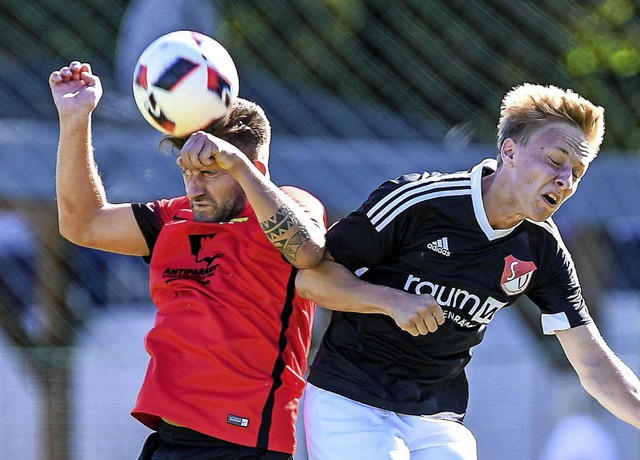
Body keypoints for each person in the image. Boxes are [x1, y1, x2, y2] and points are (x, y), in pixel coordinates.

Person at [295, 83, 640, 459]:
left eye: (578, 171)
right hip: (351, 400)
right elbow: (313, 278)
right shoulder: (419, 201)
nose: (566, 180)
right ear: (510, 151)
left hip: (437, 417)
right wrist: (390, 300)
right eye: (556, 160)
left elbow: (591, 360)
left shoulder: (544, 249)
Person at [49, 61, 326, 460]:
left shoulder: (293, 206)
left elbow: (308, 251)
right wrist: (76, 119)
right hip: (168, 438)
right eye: (187, 173)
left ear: (253, 168)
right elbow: (83, 224)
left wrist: (238, 165)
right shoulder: (173, 217)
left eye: (211, 173)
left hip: (243, 443)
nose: (195, 188)